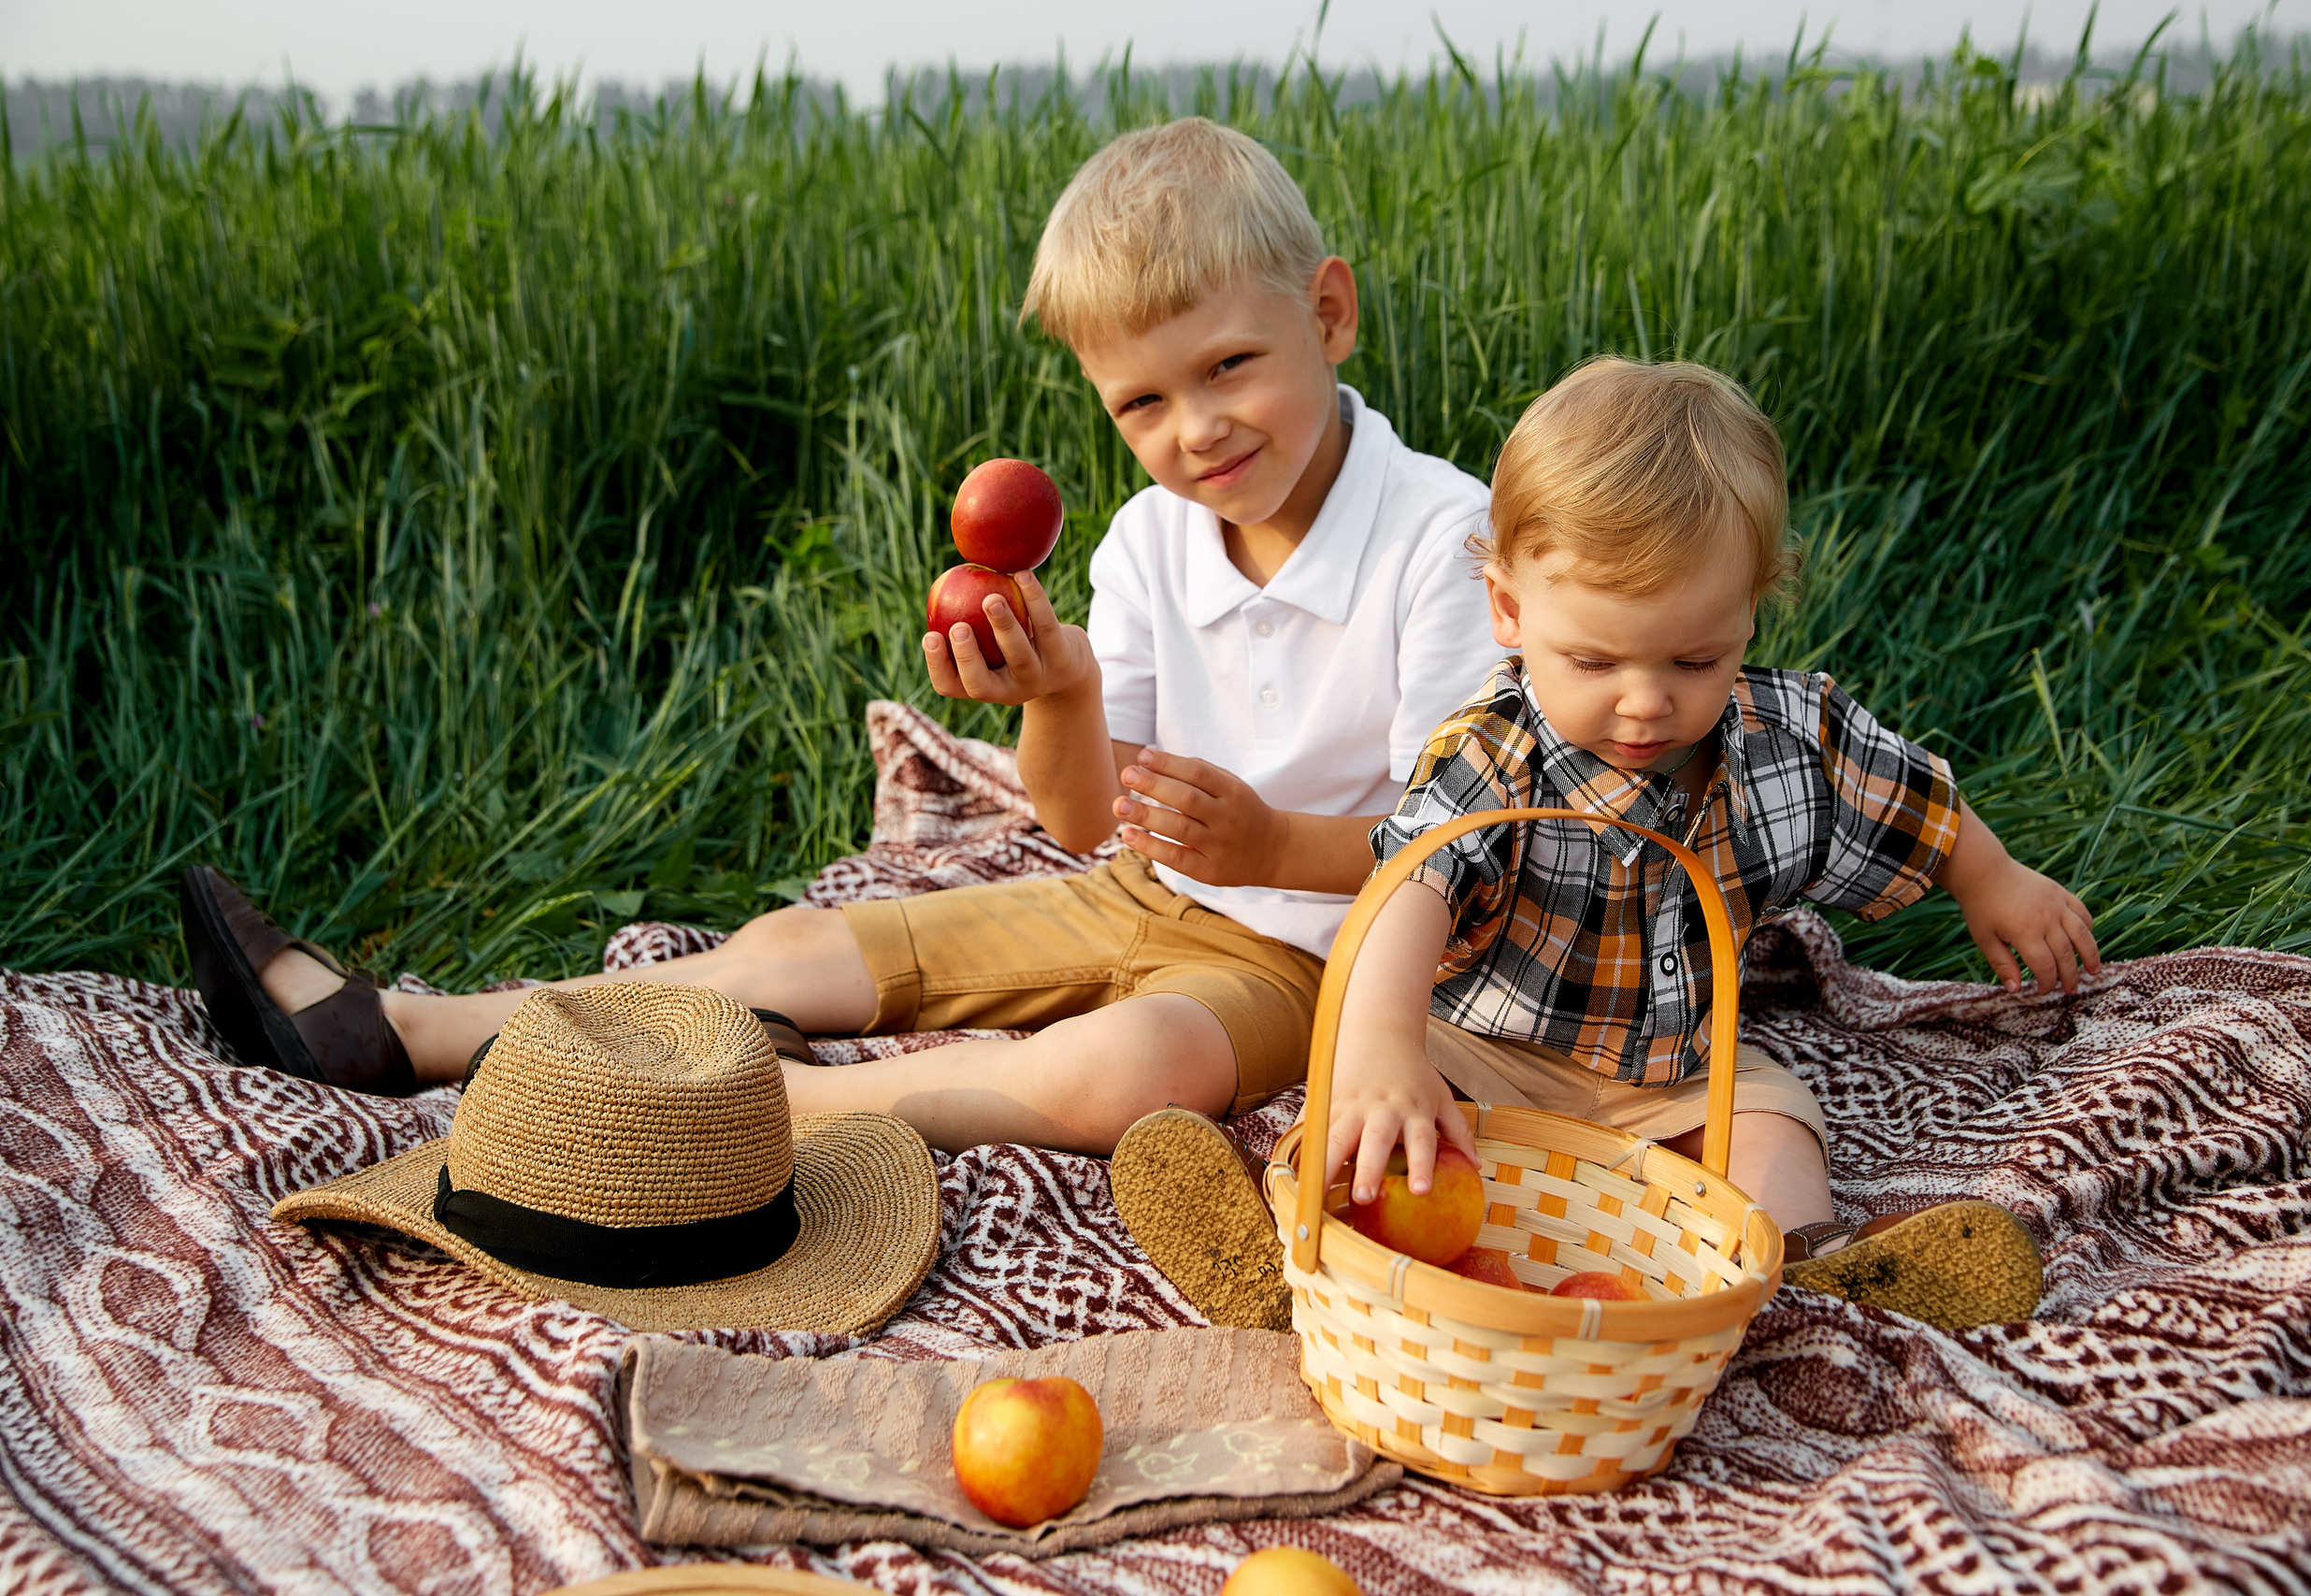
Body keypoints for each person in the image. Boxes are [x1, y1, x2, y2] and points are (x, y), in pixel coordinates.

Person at [179, 120, 1503, 1227]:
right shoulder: (1153, 539)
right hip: (1137, 892)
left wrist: (1267, 844)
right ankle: (407, 1031)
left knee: (1126, 1067)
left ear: (1327, 313)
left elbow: (1464, 846)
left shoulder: (1439, 542)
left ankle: (764, 1099)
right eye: (1141, 404)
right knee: (794, 947)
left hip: (1315, 955)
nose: (1196, 430)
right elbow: (1084, 822)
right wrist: (1061, 695)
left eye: (1229, 368)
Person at [1123, 358, 2103, 1331]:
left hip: (1674, 1079)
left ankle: (1809, 1267)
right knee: (1372, 1121)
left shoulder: (1789, 744)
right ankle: (1282, 1246)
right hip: (1482, 1053)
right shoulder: (1495, 751)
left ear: (1750, 610)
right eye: (1593, 661)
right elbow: (1412, 881)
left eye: (1695, 659)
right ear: (1508, 610)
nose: (1645, 702)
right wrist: (1383, 1045)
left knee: (1774, 1123)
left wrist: (1993, 877)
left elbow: (1906, 798)